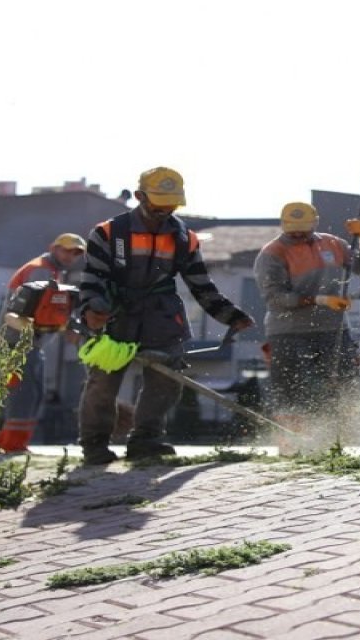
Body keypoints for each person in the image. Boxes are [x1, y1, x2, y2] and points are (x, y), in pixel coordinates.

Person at [75, 167, 254, 465]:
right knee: (102, 383)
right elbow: (93, 278)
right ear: (139, 197)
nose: (164, 210)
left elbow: (200, 284)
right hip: (115, 314)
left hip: (161, 315)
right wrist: (93, 308)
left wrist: (230, 315)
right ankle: (95, 445)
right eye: (158, 203)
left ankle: (146, 440)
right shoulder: (108, 233)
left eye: (170, 204)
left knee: (166, 381)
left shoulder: (184, 237)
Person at [254, 201, 360, 433]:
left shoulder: (335, 244)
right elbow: (275, 298)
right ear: (283, 225)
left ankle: (336, 436)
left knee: (342, 382)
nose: (298, 233)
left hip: (333, 328)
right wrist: (321, 300)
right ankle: (290, 440)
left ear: (315, 223)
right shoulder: (272, 253)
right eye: (292, 229)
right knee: (289, 387)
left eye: (303, 227)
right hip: (287, 332)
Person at [0, 233, 87, 452]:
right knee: (25, 393)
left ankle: (7, 441)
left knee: (28, 392)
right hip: (18, 343)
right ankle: (12, 444)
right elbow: (47, 312)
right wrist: (70, 328)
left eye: (76, 253)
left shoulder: (49, 271)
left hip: (27, 343)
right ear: (54, 248)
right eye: (67, 250)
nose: (71, 256)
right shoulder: (41, 271)